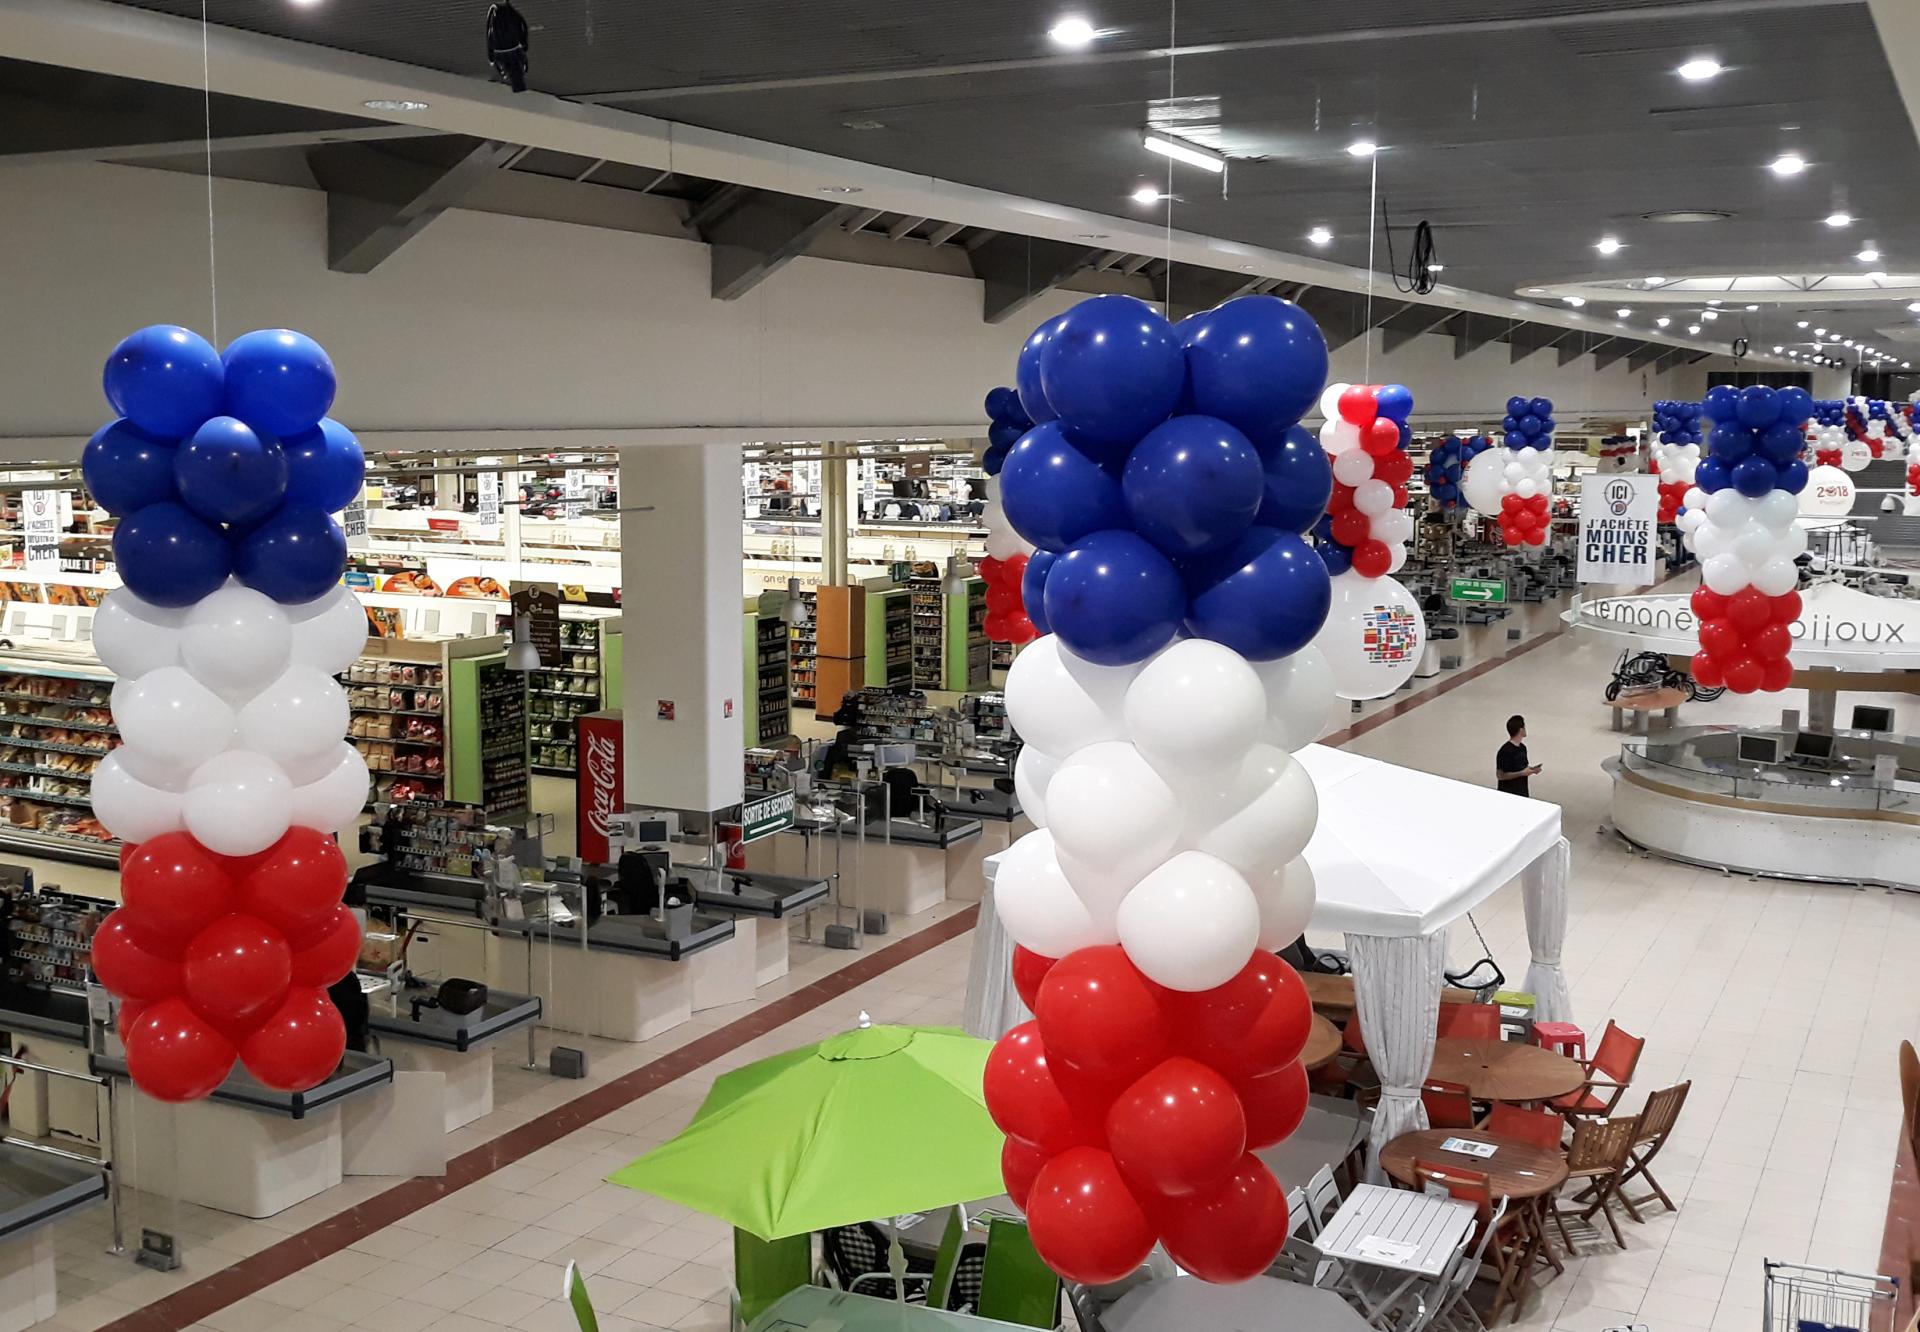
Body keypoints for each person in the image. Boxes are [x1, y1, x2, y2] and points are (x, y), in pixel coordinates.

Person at [1496, 714, 1541, 796]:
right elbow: (1500, 775)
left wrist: (1532, 770)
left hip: (1522, 792)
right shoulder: (1505, 751)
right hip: (1508, 794)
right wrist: (1522, 773)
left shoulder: (1523, 748)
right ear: (1521, 729)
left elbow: (1522, 768)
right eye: (1524, 727)